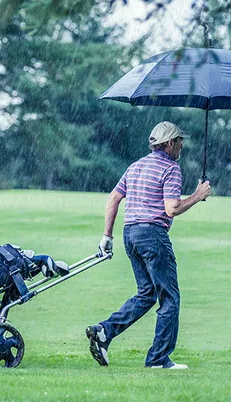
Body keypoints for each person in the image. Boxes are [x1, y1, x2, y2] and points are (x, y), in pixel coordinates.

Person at [86, 121, 212, 369]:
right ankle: (158, 359)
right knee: (170, 297)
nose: (181, 145)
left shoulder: (135, 166)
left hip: (129, 234)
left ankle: (104, 331)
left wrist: (107, 236)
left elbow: (113, 199)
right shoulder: (171, 168)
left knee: (147, 294)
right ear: (168, 144)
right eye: (178, 141)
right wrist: (198, 196)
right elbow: (171, 208)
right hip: (153, 235)